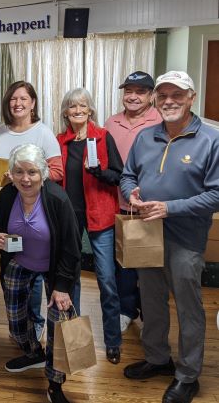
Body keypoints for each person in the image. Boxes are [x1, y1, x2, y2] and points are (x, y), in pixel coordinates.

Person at [121, 71, 219, 403]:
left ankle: (188, 376)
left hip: (186, 239)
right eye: (162, 95)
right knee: (151, 300)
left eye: (176, 94)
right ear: (154, 100)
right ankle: (158, 358)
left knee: (188, 308)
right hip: (146, 234)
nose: (169, 101)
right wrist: (130, 193)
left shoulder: (211, 139)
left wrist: (169, 208)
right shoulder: (146, 137)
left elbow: (217, 194)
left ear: (191, 97)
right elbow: (128, 174)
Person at [0, 143, 80, 403]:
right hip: (19, 261)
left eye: (31, 172)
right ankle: (33, 352)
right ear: (11, 174)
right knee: (17, 322)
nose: (25, 179)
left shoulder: (57, 199)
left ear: (42, 173)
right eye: (18, 172)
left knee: (58, 325)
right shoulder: (7, 195)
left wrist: (62, 286)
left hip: (55, 268)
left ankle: (55, 383)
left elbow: (71, 248)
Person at [0, 81, 64, 339]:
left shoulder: (43, 133)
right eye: (13, 98)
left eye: (23, 98)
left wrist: (23, 178)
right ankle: (21, 327)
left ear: (33, 103)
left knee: (32, 266)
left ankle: (35, 323)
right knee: (12, 265)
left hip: (36, 209)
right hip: (6, 207)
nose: (17, 103)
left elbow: (57, 171)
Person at [56, 87, 123, 364]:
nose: (78, 111)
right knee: (72, 282)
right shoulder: (60, 141)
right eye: (72, 107)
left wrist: (100, 172)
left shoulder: (103, 137)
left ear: (91, 110)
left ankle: (113, 342)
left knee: (106, 280)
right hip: (69, 218)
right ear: (65, 112)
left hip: (101, 216)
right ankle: (77, 341)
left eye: (83, 106)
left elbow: (118, 175)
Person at [105, 71, 161, 333]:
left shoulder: (160, 120)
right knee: (123, 261)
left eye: (140, 92)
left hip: (150, 205)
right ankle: (127, 309)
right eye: (129, 91)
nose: (133, 96)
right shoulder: (112, 122)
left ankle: (150, 310)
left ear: (151, 96)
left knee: (149, 263)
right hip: (117, 203)